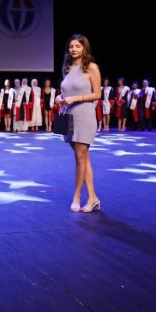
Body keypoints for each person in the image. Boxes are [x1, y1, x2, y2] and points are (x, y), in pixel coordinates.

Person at [55, 34, 101, 213]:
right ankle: (93, 198)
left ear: (84, 48)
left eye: (78, 46)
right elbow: (67, 91)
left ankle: (77, 197)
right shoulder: (66, 67)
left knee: (80, 157)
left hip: (85, 115)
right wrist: (60, 97)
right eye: (71, 46)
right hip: (69, 116)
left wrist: (75, 98)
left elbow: (97, 94)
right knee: (83, 158)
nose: (74, 49)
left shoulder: (92, 67)